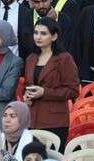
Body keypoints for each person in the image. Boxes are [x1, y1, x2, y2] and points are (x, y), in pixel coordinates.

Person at [23, 17, 79, 151]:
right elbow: (27, 84)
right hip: (32, 118)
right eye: (36, 33)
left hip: (55, 121)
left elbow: (73, 90)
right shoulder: (31, 58)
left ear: (54, 37)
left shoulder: (64, 58)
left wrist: (44, 92)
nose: (38, 37)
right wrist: (26, 96)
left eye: (43, 33)